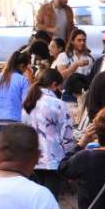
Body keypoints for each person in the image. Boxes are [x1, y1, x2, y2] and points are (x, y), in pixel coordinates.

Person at [21, 69, 75, 197]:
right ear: (54, 84)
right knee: (51, 198)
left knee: (37, 198)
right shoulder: (58, 104)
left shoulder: (28, 102)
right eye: (60, 86)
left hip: (32, 156)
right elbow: (67, 133)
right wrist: (71, 152)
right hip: (53, 158)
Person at [0, 50, 32, 136]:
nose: (25, 70)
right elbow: (27, 102)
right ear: (21, 66)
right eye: (25, 67)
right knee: (14, 148)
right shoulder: (22, 80)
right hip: (16, 121)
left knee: (2, 148)